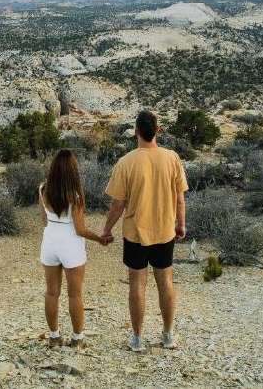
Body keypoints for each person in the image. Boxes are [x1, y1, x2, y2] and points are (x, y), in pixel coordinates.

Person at [101, 109, 188, 352]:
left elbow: (117, 205)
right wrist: (180, 224)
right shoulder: (172, 158)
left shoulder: (126, 162)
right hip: (164, 231)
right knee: (166, 282)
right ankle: (168, 335)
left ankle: (137, 338)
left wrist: (106, 230)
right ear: (157, 130)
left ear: (136, 132)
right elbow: (180, 198)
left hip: (136, 234)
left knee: (137, 285)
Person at [39, 148, 109, 347]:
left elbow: (44, 219)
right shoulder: (75, 196)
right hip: (70, 244)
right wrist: (99, 239)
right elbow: (80, 230)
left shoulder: (43, 189)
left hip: (50, 241)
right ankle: (77, 339)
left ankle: (54, 336)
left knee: (51, 292)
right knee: (75, 294)